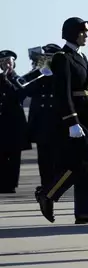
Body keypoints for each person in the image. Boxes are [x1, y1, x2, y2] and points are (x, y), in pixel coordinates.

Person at [35, 18, 88, 224]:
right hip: (75, 119)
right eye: (82, 32)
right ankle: (48, 194)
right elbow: (62, 93)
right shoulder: (62, 58)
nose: (85, 35)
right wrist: (71, 121)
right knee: (78, 165)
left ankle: (84, 211)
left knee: (87, 166)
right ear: (72, 33)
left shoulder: (81, 56)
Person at [26, 44, 61, 189]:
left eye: (49, 58)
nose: (46, 61)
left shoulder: (60, 74)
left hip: (57, 122)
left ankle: (55, 187)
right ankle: (46, 186)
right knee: (44, 159)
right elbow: (26, 90)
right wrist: (37, 70)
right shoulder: (39, 74)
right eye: (44, 58)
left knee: (58, 159)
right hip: (41, 123)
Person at [0, 50, 29, 193]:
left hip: (15, 123)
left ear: (14, 63)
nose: (6, 64)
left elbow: (19, 96)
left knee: (14, 157)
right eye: (3, 61)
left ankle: (11, 184)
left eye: (8, 61)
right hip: (2, 123)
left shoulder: (19, 79)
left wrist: (7, 81)